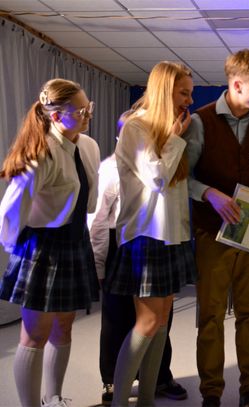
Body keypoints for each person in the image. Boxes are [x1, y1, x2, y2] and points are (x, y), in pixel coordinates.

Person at [185, 49, 249, 407]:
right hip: (211, 233)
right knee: (210, 316)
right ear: (237, 84)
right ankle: (211, 392)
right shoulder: (200, 121)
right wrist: (208, 193)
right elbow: (182, 179)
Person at [0, 78, 100, 407]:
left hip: (74, 240)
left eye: (88, 107)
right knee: (35, 334)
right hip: (42, 246)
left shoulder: (88, 146)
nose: (87, 115)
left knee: (64, 327)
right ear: (56, 116)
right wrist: (16, 250)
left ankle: (53, 397)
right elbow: (10, 210)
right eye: (80, 111)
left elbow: (88, 198)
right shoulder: (40, 153)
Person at [102, 61, 196, 407]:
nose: (188, 101)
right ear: (164, 91)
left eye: (190, 93)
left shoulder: (165, 130)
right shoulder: (136, 127)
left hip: (170, 236)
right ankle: (119, 400)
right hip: (145, 236)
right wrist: (175, 138)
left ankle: (147, 399)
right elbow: (156, 179)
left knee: (160, 323)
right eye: (183, 93)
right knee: (148, 321)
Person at [88, 112, 189, 405]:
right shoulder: (110, 168)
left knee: (160, 320)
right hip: (124, 243)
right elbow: (97, 220)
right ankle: (112, 382)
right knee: (118, 320)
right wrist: (98, 264)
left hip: (158, 238)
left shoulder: (164, 156)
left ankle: (158, 379)